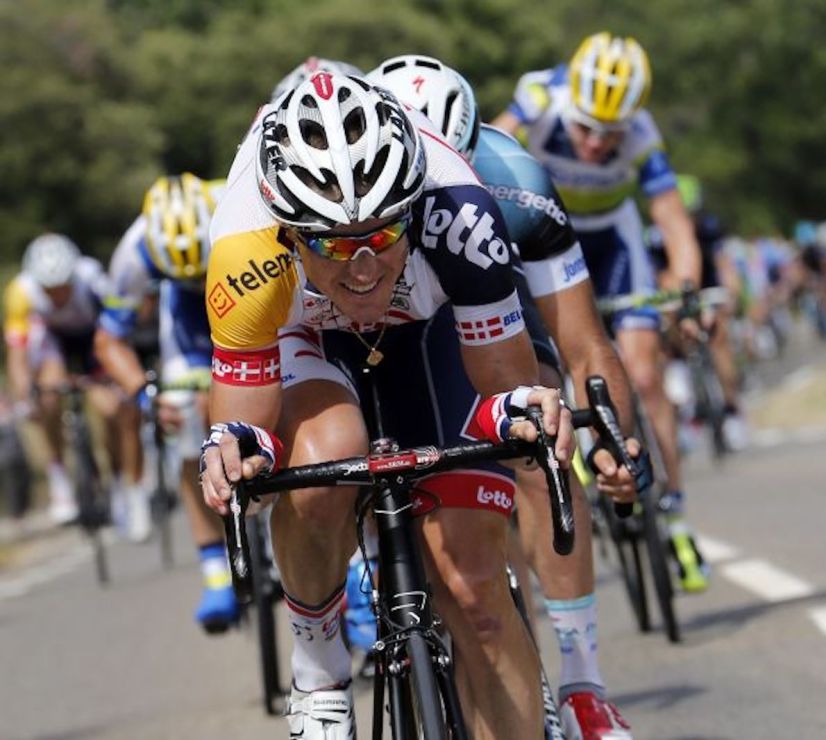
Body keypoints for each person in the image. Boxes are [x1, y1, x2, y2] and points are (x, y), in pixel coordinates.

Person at [199, 71, 637, 739]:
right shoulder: (245, 250)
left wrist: (530, 417)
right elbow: (248, 428)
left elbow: (501, 392)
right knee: (323, 464)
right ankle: (318, 672)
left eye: (381, 236)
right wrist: (236, 457)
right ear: (288, 233)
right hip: (309, 335)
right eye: (333, 245)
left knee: (475, 589)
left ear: (412, 209)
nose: (364, 267)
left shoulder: (458, 208)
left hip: (430, 328)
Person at [367, 53, 642, 739]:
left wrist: (616, 441)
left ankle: (582, 683)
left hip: (485, 307)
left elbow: (585, 345)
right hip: (376, 314)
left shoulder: (513, 185)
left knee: (540, 431)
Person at [493, 31, 711, 592]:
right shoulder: (538, 102)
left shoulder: (640, 133)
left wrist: (686, 291)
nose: (594, 144)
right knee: (558, 366)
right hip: (545, 238)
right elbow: (481, 163)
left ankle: (674, 508)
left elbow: (672, 221)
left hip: (614, 243)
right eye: (585, 128)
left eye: (608, 134)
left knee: (642, 370)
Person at [93, 173, 239, 631]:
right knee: (183, 428)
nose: (194, 276)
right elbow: (108, 342)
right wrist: (146, 395)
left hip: (242, 286)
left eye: (197, 268)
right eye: (184, 270)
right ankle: (216, 572)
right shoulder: (133, 253)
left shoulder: (238, 209)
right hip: (184, 321)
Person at [3, 234, 142, 530]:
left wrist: (119, 375)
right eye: (48, 290)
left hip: (94, 338)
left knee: (111, 409)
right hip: (55, 345)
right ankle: (58, 476)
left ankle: (119, 484)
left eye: (63, 287)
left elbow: (118, 329)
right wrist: (27, 395)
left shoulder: (91, 277)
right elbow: (18, 352)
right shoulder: (20, 292)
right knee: (47, 395)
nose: (57, 296)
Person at [646, 174, 749, 449]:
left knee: (719, 340)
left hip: (708, 288)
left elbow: (723, 264)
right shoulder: (657, 236)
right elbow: (660, 276)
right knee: (668, 332)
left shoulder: (710, 228)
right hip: (678, 291)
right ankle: (684, 396)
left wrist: (731, 291)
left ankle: (731, 409)